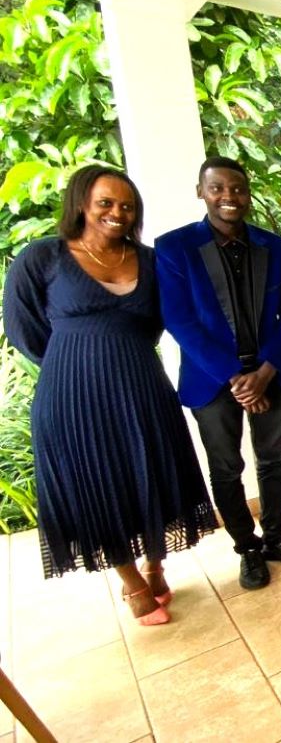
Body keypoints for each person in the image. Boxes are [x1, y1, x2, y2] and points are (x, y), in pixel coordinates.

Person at [3, 166, 217, 625]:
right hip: (72, 397)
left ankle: (155, 564)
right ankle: (132, 583)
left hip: (142, 386)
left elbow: (160, 322)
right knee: (94, 485)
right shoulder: (43, 258)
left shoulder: (149, 260)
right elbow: (26, 332)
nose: (117, 213)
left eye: (127, 206)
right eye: (106, 203)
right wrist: (79, 361)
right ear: (81, 203)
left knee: (154, 472)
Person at [156, 156, 281, 591]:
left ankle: (277, 537)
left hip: (270, 373)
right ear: (201, 192)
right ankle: (246, 548)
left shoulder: (275, 247)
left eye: (238, 189)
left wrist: (265, 370)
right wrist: (236, 377)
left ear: (248, 194)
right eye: (218, 189)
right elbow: (179, 320)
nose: (229, 197)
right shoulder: (174, 249)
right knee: (226, 467)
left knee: (273, 459)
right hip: (213, 381)